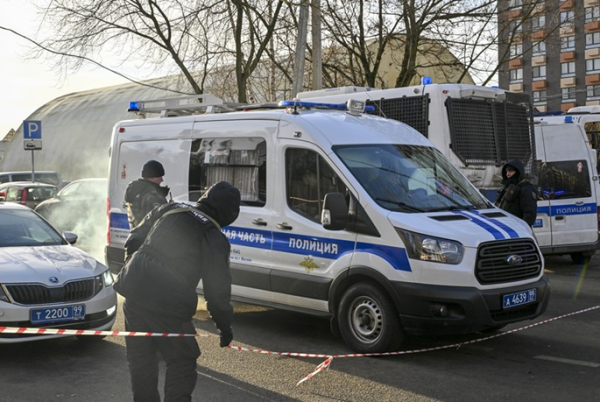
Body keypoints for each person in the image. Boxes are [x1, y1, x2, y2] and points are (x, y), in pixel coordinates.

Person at [114, 181, 241, 402]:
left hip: (134, 290)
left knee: (141, 359)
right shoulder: (214, 236)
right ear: (229, 213)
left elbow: (135, 237)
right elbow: (217, 290)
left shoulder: (171, 208)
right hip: (169, 300)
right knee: (182, 359)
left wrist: (134, 268)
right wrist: (224, 326)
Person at [124, 160, 170, 228]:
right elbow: (160, 222)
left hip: (136, 232)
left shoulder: (136, 190)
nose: (162, 180)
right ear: (153, 177)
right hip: (151, 234)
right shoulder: (153, 195)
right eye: (160, 177)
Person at [495, 159, 537, 226]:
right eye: (506, 171)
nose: (507, 174)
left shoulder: (526, 189)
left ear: (517, 172)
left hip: (517, 227)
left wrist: (522, 228)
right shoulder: (507, 188)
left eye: (510, 171)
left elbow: (529, 214)